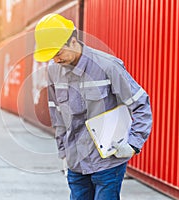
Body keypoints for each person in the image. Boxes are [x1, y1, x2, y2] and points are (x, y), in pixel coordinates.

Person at [33, 13, 152, 200]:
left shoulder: (107, 66)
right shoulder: (54, 71)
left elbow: (141, 104)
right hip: (76, 162)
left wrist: (133, 144)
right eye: (51, 56)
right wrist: (64, 153)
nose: (55, 60)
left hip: (107, 163)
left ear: (73, 42)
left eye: (58, 53)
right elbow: (57, 115)